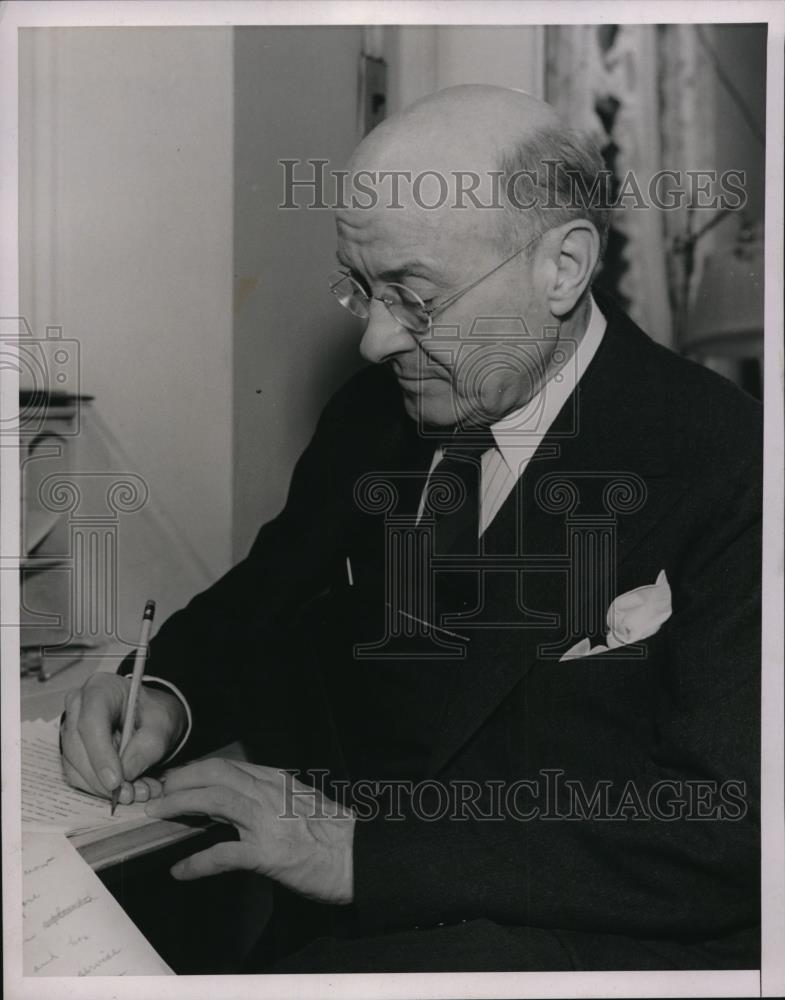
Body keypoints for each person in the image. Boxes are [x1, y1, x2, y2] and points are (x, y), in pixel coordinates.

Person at [59, 85, 761, 972]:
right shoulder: (374, 416)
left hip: (580, 956)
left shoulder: (731, 462)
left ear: (562, 267)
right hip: (337, 942)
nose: (375, 342)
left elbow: (733, 826)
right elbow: (269, 600)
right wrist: (164, 691)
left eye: (414, 298)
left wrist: (363, 857)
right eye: (361, 290)